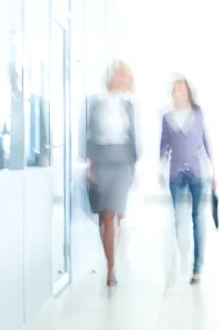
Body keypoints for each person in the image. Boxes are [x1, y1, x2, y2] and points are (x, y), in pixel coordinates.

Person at [85, 60, 139, 286]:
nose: (125, 80)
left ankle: (111, 269)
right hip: (101, 161)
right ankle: (110, 261)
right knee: (104, 218)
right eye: (121, 75)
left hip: (122, 162)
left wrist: (134, 168)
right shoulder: (95, 103)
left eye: (127, 76)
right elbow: (87, 134)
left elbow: (133, 137)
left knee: (114, 215)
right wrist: (89, 165)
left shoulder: (129, 106)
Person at [159, 76, 215, 284]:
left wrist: (214, 169)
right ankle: (179, 257)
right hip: (175, 173)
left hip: (197, 173)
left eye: (180, 89)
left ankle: (197, 266)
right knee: (177, 220)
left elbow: (205, 141)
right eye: (174, 89)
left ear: (188, 92)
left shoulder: (198, 115)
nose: (176, 93)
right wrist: (160, 164)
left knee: (198, 218)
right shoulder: (167, 118)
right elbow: (163, 143)